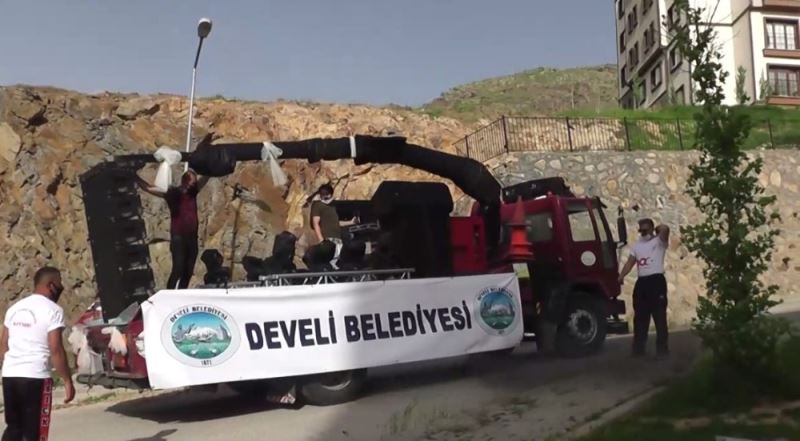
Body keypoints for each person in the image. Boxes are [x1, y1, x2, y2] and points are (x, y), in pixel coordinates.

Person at [1, 266, 75, 441]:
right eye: (59, 282)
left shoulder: (14, 308)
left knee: (14, 428)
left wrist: (8, 367)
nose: (62, 286)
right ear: (51, 285)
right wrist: (67, 380)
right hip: (36, 377)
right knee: (34, 431)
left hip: (10, 375)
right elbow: (55, 348)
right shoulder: (53, 310)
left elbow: (3, 344)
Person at [136, 169, 210, 289]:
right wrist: (135, 178)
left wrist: (212, 167)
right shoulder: (173, 193)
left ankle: (181, 292)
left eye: (194, 182)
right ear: (185, 181)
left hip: (192, 237)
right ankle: (170, 292)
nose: (193, 184)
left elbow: (206, 177)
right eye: (192, 181)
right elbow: (149, 188)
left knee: (188, 270)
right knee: (178, 269)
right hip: (179, 237)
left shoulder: (193, 192)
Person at [618, 218, 670, 358]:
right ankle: (638, 349)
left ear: (652, 229)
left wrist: (655, 231)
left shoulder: (659, 242)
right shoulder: (637, 246)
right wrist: (621, 276)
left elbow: (665, 228)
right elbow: (630, 262)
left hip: (656, 280)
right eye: (641, 230)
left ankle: (662, 350)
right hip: (642, 282)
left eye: (646, 229)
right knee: (640, 317)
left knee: (659, 316)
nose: (643, 232)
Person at [309, 184, 357, 258]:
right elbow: (315, 224)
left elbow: (336, 223)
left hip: (338, 239)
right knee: (331, 259)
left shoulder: (332, 207)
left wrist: (351, 222)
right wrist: (322, 241)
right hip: (328, 239)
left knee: (337, 260)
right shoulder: (317, 205)